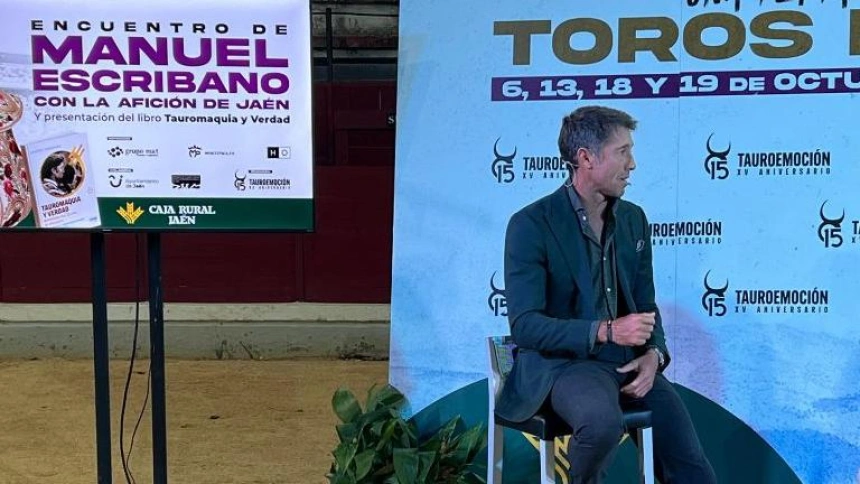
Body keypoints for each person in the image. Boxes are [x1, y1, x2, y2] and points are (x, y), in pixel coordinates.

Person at [495, 106, 717, 483]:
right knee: (601, 423)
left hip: (627, 364)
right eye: (623, 151)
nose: (632, 164)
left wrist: (654, 355)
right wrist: (606, 331)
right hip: (561, 366)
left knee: (692, 469)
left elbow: (646, 306)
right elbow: (526, 327)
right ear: (585, 158)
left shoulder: (634, 219)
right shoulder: (530, 224)